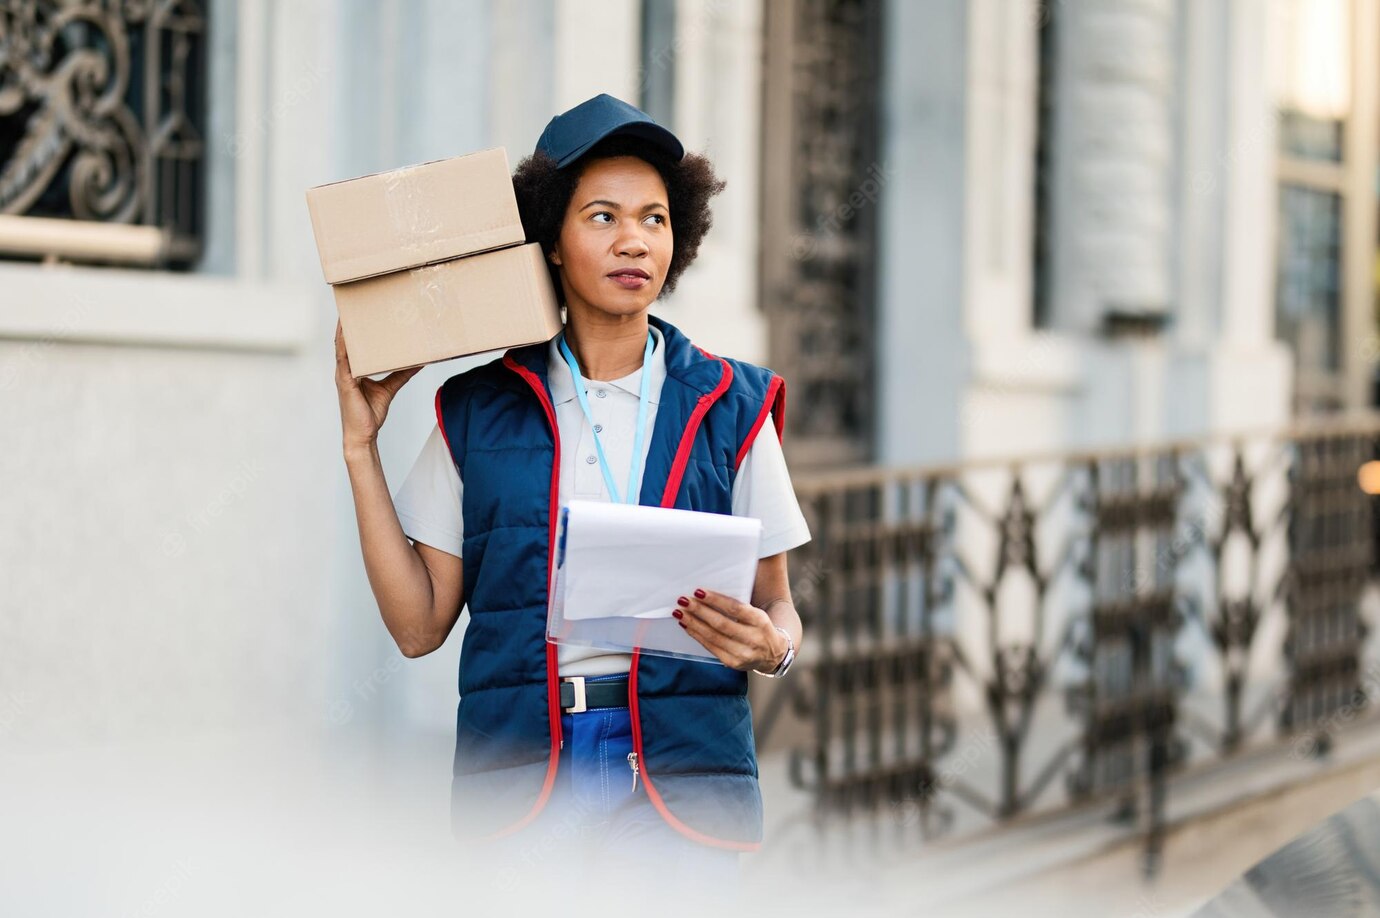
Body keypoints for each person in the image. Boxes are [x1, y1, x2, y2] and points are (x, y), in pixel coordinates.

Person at [333, 93, 810, 908]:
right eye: (602, 216)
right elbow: (418, 627)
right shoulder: (477, 410)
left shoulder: (733, 407)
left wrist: (771, 647)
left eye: (655, 219)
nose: (634, 240)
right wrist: (359, 447)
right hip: (525, 778)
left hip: (682, 773)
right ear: (551, 239)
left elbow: (779, 608)